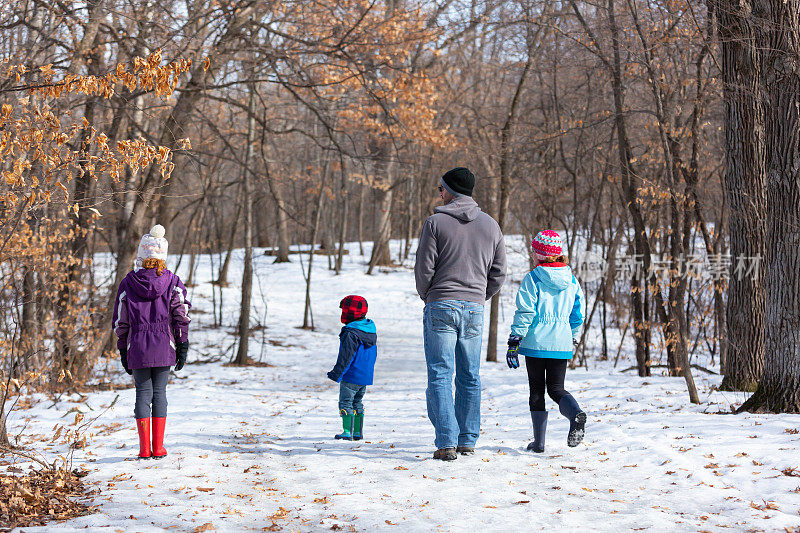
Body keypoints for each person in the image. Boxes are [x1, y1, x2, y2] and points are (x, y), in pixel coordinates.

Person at [414, 167, 507, 461]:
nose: (439, 194)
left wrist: (429, 296)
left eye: (440, 189)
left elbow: (424, 269)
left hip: (441, 303)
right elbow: (499, 272)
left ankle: (446, 442)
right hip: (475, 308)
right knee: (470, 375)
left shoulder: (435, 223)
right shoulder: (491, 226)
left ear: (450, 190)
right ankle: (467, 440)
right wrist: (480, 295)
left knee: (441, 373)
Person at [113, 224, 191, 459]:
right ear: (162, 257)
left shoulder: (128, 283)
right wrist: (182, 344)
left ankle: (144, 449)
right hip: (164, 346)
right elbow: (181, 315)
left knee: (142, 395)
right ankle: (158, 448)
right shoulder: (172, 282)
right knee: (160, 394)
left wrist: (122, 349)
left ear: (141, 256)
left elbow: (121, 320)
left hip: (137, 347)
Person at [505, 230, 585, 453]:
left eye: (533, 251)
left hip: (536, 343)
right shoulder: (571, 280)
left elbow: (525, 311)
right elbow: (577, 315)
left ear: (540, 255)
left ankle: (539, 443)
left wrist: (514, 341)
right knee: (557, 389)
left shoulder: (533, 278)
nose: (531, 255)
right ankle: (575, 414)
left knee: (537, 390)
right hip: (561, 343)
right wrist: (573, 339)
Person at [327, 295, 378, 441]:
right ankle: (357, 432)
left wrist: (337, 373)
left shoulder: (350, 333)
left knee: (346, 402)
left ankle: (347, 432)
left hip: (351, 375)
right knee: (357, 402)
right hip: (364, 376)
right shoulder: (370, 330)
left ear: (349, 312)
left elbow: (346, 356)